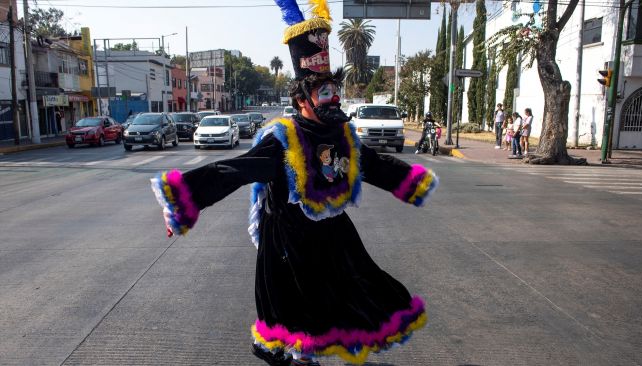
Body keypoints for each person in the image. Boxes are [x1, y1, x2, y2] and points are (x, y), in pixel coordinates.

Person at [150, 2, 437, 365]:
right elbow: (234, 170)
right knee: (290, 328)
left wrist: (414, 183)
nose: (334, 99)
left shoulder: (344, 134)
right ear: (302, 99)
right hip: (287, 245)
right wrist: (181, 200)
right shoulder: (283, 138)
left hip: (332, 238)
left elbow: (374, 165)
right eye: (324, 92)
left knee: (353, 300)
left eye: (335, 90)